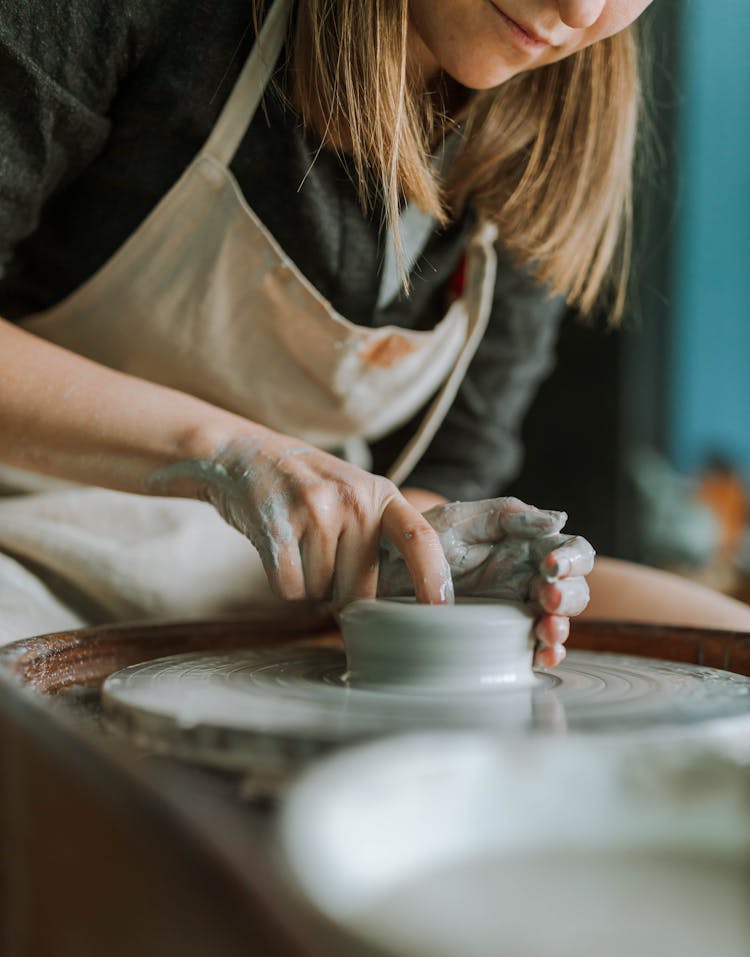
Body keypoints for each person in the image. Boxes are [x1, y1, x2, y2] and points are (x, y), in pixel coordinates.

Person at [1, 0, 749, 659]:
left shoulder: (550, 126)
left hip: (273, 601)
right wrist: (226, 453)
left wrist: (444, 551)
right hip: (25, 544)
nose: (582, 10)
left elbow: (439, 483)